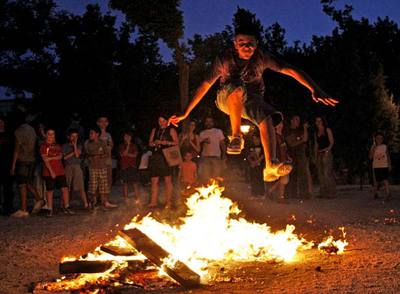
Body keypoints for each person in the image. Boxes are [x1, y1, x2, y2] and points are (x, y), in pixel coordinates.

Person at [169, 22, 338, 182]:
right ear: (235, 44)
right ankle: (236, 137)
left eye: (250, 43)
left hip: (252, 100)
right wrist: (186, 111)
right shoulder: (224, 59)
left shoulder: (262, 57)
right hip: (226, 98)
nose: (246, 47)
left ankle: (271, 165)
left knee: (268, 117)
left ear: (256, 44)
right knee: (237, 87)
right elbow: (205, 85)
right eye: (242, 43)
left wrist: (314, 88)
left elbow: (292, 70)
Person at [10, 115, 43, 217]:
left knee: (22, 184)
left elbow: (17, 150)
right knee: (27, 182)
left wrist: (13, 166)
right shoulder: (31, 129)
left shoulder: (18, 132)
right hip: (32, 159)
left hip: (23, 160)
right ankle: (37, 200)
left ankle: (26, 208)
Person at [40, 128, 74, 217]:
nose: (51, 136)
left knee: (65, 188)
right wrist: (51, 171)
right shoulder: (44, 146)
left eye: (53, 134)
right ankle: (50, 209)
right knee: (50, 190)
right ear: (46, 135)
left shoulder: (57, 145)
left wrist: (51, 158)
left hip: (60, 171)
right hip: (48, 172)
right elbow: (45, 160)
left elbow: (60, 156)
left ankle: (67, 207)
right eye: (49, 134)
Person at [148, 115, 179, 208]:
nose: (161, 123)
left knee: (167, 180)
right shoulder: (155, 130)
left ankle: (168, 202)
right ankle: (153, 202)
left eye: (163, 121)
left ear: (167, 121)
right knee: (154, 180)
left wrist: (165, 143)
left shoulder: (171, 130)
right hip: (156, 156)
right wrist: (154, 143)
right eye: (159, 121)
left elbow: (176, 142)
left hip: (166, 156)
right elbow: (150, 143)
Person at [85, 125, 118, 209]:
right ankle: (92, 203)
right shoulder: (87, 143)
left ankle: (105, 202)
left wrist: (100, 156)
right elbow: (85, 154)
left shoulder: (102, 143)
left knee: (104, 185)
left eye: (92, 133)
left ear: (97, 134)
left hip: (102, 166)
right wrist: (93, 156)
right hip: (92, 167)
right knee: (92, 185)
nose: (90, 134)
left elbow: (107, 154)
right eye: (90, 133)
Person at [285, 115, 312, 198]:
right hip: (291, 155)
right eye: (296, 119)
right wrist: (301, 140)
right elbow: (291, 143)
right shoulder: (288, 130)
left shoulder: (300, 130)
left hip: (300, 154)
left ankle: (304, 194)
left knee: (303, 175)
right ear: (292, 120)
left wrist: (305, 129)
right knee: (292, 175)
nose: (298, 121)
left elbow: (305, 139)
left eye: (299, 120)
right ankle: (292, 194)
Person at [62, 128, 88, 209]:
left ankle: (86, 204)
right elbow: (65, 157)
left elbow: (77, 155)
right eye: (72, 136)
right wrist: (73, 152)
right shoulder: (65, 146)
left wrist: (75, 146)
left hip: (77, 166)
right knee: (66, 186)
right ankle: (64, 204)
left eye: (76, 136)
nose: (74, 138)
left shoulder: (79, 145)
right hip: (68, 167)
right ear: (68, 137)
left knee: (81, 186)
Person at [198, 116, 226, 182]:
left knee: (216, 177)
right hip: (205, 157)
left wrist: (224, 154)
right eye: (207, 122)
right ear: (205, 123)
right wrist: (203, 141)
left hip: (216, 156)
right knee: (205, 177)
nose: (208, 123)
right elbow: (198, 145)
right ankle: (207, 191)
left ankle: (216, 190)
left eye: (210, 121)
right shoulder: (202, 133)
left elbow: (222, 143)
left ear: (213, 123)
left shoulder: (218, 131)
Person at [268, 121, 291, 203]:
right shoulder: (274, 136)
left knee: (283, 178)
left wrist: (288, 157)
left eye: (281, 124)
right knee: (283, 178)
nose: (280, 126)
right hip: (278, 160)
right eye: (278, 124)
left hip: (284, 159)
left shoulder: (282, 136)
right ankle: (280, 197)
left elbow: (285, 148)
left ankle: (271, 191)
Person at [314, 116, 336, 198]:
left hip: (326, 152)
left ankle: (331, 192)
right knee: (320, 173)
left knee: (327, 173)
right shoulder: (316, 132)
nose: (318, 122)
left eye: (320, 120)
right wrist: (315, 154)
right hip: (319, 153)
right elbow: (316, 144)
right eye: (317, 121)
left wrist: (327, 150)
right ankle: (323, 192)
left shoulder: (327, 130)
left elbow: (331, 142)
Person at [119, 131, 141, 203]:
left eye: (128, 136)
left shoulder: (134, 146)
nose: (127, 138)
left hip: (132, 166)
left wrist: (127, 154)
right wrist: (128, 147)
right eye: (125, 136)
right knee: (125, 183)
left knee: (135, 182)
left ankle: (137, 198)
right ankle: (126, 198)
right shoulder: (121, 145)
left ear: (131, 137)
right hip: (124, 166)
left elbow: (135, 155)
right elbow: (122, 154)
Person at [369, 132, 392, 200]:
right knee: (377, 180)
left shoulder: (384, 146)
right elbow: (370, 157)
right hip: (376, 165)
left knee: (385, 179)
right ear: (375, 139)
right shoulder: (373, 147)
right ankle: (376, 193)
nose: (379, 139)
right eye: (378, 138)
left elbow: (387, 156)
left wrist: (389, 164)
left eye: (381, 138)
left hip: (384, 165)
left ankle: (388, 193)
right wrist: (374, 148)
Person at [0, 117, 14, 215]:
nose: (0, 124)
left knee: (8, 188)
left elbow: (14, 150)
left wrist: (13, 166)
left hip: (7, 165)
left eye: (1, 122)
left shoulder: (9, 135)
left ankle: (8, 208)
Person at [97, 116, 114, 188]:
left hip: (108, 161)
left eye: (105, 121)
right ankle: (97, 198)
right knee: (99, 181)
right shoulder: (96, 134)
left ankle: (105, 199)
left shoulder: (108, 135)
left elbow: (111, 146)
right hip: (99, 162)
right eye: (101, 121)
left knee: (108, 181)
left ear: (107, 123)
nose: (103, 123)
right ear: (98, 123)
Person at [246, 132, 265, 198]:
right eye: (254, 139)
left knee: (260, 179)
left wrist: (256, 162)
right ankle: (254, 194)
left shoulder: (262, 147)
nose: (255, 141)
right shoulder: (251, 146)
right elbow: (248, 156)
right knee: (253, 180)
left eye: (256, 139)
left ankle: (261, 193)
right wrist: (251, 162)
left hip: (260, 166)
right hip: (252, 166)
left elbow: (263, 156)